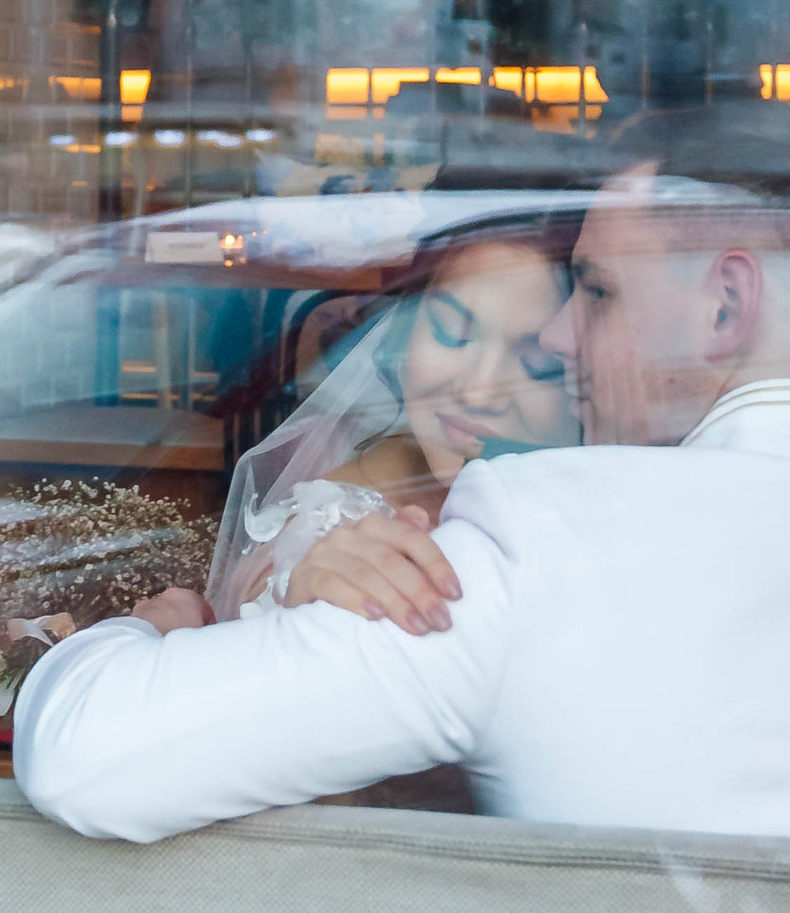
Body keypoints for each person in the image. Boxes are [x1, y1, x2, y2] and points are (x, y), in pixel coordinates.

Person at [15, 103, 790, 860]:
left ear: (726, 301)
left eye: (599, 293)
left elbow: (89, 757)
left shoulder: (537, 545)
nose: (568, 348)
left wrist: (136, 633)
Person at [206, 214, 575, 621]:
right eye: (451, 333)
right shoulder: (336, 518)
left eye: (537, 361)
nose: (479, 392)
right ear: (403, 332)